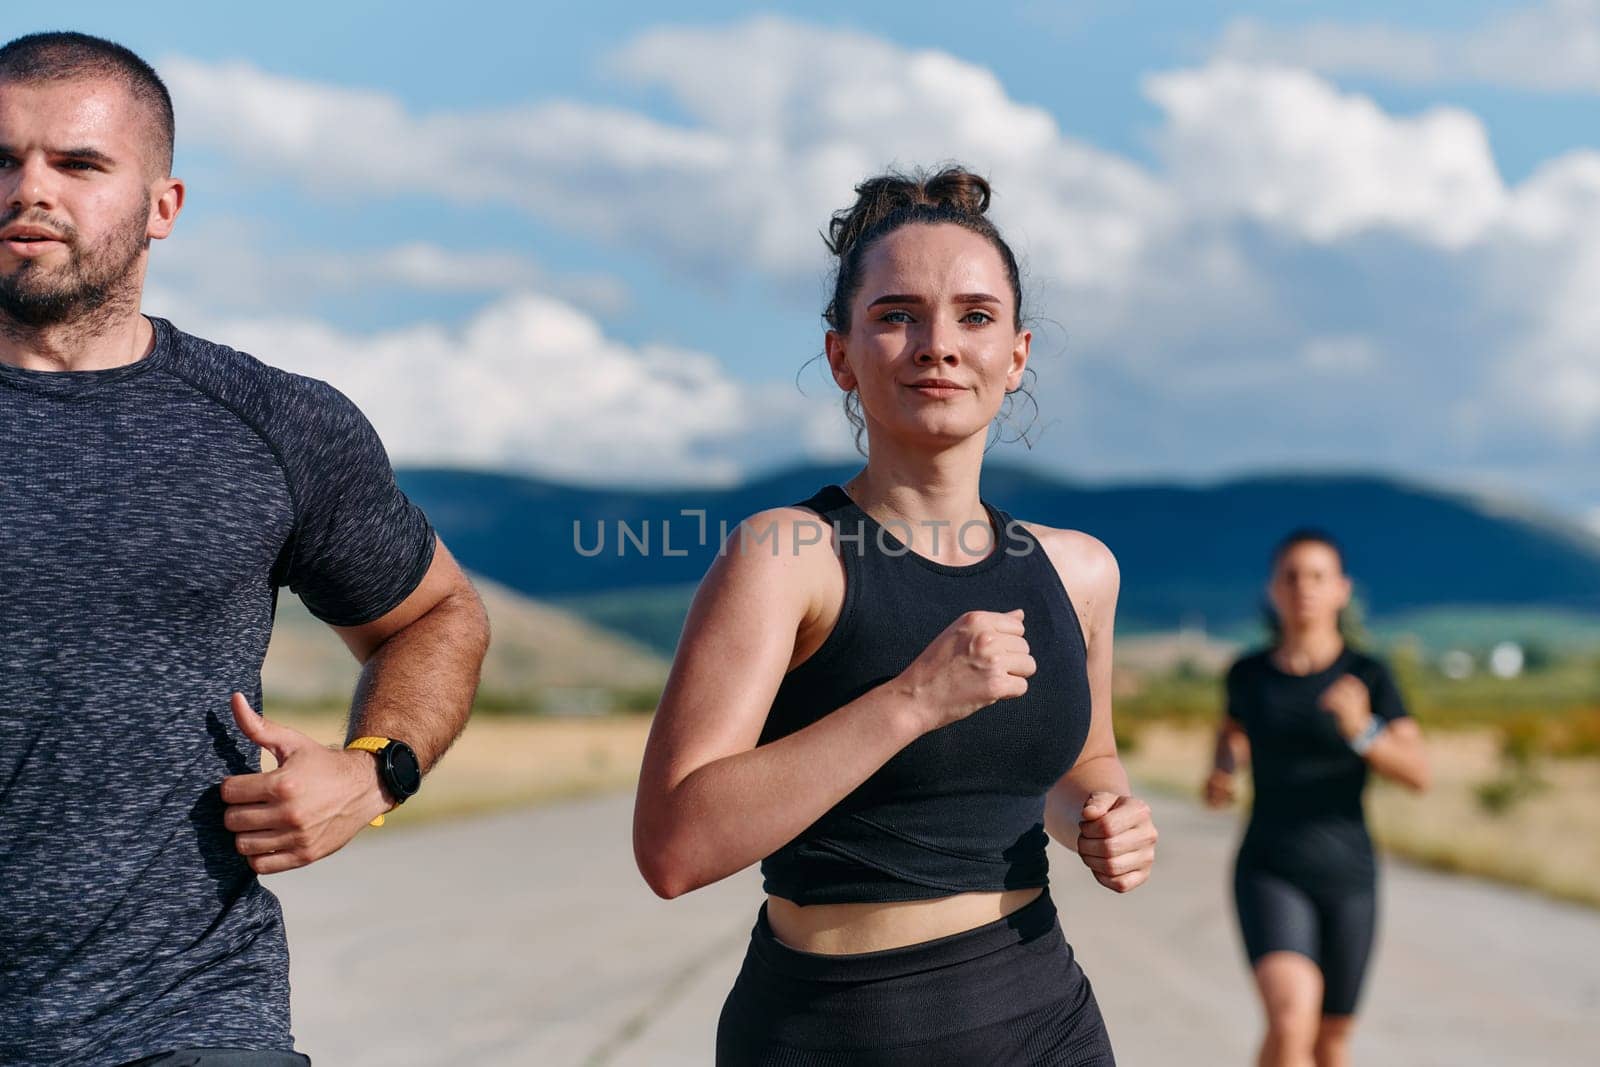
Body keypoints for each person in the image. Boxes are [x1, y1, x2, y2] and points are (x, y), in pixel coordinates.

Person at [0, 32, 491, 1066]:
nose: (29, 189)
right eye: (2, 161)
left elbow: (436, 613)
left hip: (182, 1017)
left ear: (162, 206)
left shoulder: (273, 425)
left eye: (79, 164)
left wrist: (375, 771)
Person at [633, 164, 1156, 1065]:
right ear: (841, 354)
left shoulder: (1080, 572)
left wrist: (1104, 815)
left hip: (1043, 1017)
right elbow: (674, 846)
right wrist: (912, 699)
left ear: (1018, 354)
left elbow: (1080, 762)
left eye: (975, 316)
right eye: (895, 314)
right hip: (834, 1029)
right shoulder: (785, 557)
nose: (937, 343)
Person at [1204, 529, 1430, 1067]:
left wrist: (1363, 730)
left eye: (1317, 576)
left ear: (1342, 590)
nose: (1303, 587)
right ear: (1274, 590)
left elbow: (1419, 773)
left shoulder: (1368, 676)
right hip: (1269, 868)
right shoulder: (1249, 674)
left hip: (1349, 875)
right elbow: (1231, 729)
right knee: (1290, 1019)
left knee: (1330, 1042)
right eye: (1291, 576)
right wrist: (1223, 769)